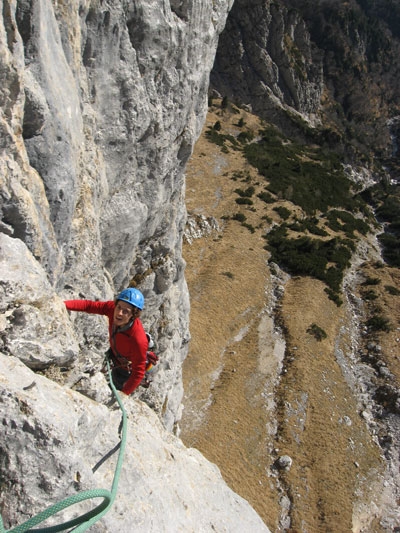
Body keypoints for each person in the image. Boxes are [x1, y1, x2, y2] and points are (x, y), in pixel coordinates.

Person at [64, 288, 148, 395]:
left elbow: (138, 372)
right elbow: (89, 306)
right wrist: (63, 304)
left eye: (126, 311)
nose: (119, 313)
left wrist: (124, 394)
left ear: (133, 315)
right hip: (115, 356)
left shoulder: (138, 339)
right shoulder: (112, 309)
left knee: (115, 388)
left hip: (125, 370)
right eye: (119, 307)